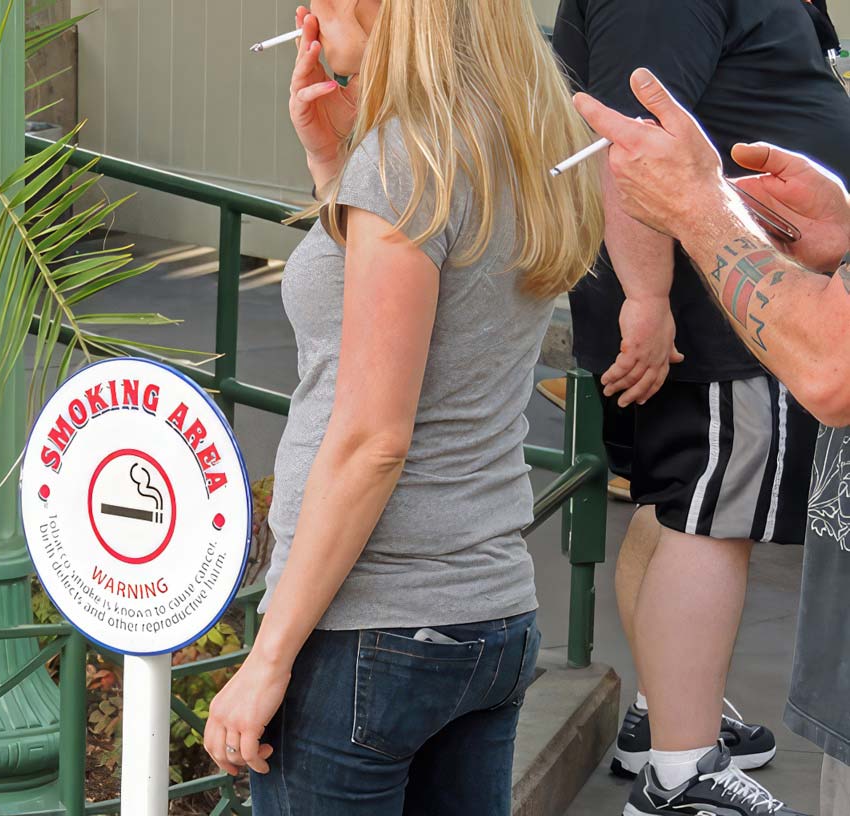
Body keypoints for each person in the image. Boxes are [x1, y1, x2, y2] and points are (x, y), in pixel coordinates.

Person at [199, 0, 602, 813]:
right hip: (489, 613)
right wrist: (333, 165)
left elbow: (374, 439)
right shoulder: (515, 140)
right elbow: (435, 328)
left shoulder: (403, 161)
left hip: (368, 627)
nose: (303, 13)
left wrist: (268, 657)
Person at [551, 2, 850, 805]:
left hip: (732, 294)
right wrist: (647, 298)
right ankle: (684, 769)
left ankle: (669, 715)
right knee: (712, 520)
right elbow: (629, 136)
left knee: (678, 504)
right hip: (722, 308)